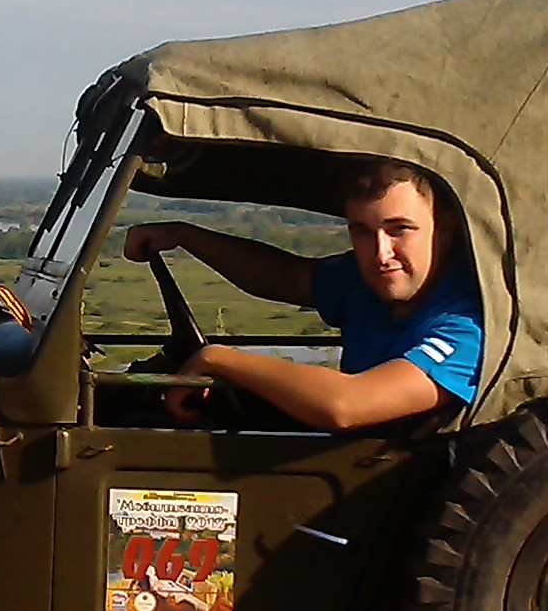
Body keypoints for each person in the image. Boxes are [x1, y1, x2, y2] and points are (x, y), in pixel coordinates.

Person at [121, 159, 483, 432]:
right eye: (361, 231)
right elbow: (288, 277)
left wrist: (216, 358)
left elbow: (346, 405)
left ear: (446, 229)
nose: (380, 253)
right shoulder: (368, 281)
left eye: (399, 229)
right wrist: (183, 236)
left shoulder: (467, 326)